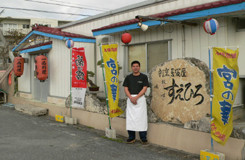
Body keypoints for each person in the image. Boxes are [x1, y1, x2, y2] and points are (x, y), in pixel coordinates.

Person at [123, 60, 149, 144]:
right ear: (131, 67)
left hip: (140, 99)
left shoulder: (144, 77)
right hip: (130, 99)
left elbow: (145, 88)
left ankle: (143, 138)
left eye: (137, 66)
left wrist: (137, 97)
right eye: (133, 66)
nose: (135, 68)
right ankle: (131, 137)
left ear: (139, 67)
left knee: (142, 119)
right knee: (131, 119)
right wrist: (131, 97)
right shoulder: (128, 77)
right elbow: (126, 88)